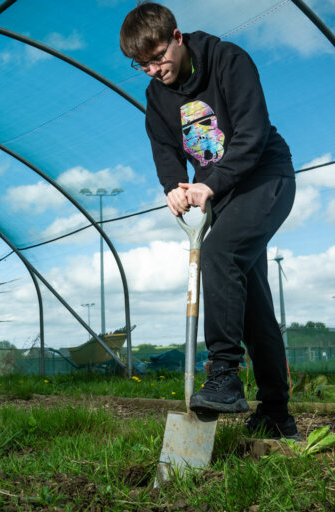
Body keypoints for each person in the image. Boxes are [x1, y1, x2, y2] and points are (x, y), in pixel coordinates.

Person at [120, 2, 299, 439]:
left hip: (266, 178)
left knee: (219, 255)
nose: (152, 69)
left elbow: (253, 134)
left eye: (157, 57)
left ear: (177, 38)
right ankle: (276, 414)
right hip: (227, 194)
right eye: (141, 64)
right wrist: (174, 187)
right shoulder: (156, 96)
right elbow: (164, 148)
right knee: (252, 303)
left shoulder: (227, 60)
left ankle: (224, 375)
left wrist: (210, 183)